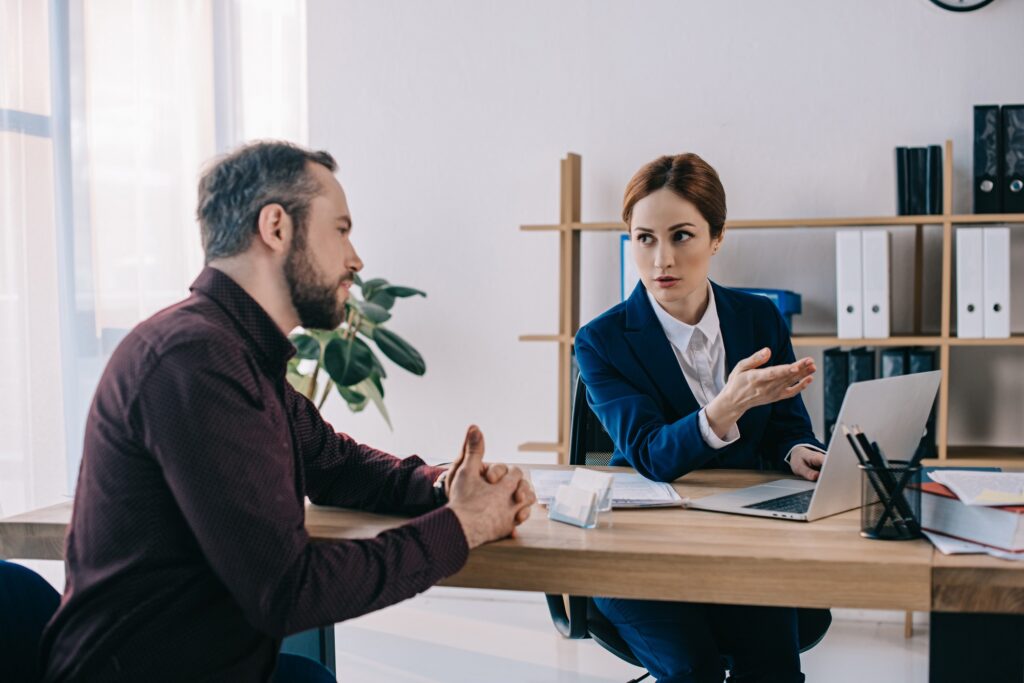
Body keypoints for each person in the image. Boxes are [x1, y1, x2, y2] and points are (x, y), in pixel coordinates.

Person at [39, 141, 536, 682]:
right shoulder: (194, 359)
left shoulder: (237, 351)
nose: (356, 259)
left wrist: (445, 486)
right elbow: (289, 591)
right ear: (276, 227)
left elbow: (336, 464)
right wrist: (462, 526)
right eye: (341, 229)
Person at [573, 153, 826, 683]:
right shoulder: (601, 341)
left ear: (716, 238)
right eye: (644, 238)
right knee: (695, 671)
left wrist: (797, 450)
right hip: (637, 554)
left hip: (741, 544)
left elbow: (786, 425)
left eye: (681, 235)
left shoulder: (758, 317)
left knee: (774, 670)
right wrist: (726, 405)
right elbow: (648, 453)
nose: (661, 257)